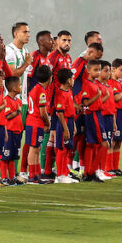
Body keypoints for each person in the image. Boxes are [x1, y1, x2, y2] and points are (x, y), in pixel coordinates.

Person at [44, 31, 75, 178]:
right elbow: (47, 78)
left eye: (69, 40)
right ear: (57, 41)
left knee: (56, 137)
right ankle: (48, 169)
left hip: (64, 99)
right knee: (54, 136)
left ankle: (55, 169)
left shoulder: (68, 58)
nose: (67, 43)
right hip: (55, 102)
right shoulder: (52, 57)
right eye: (64, 40)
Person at [78, 60, 106, 182]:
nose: (98, 72)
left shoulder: (94, 83)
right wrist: (98, 96)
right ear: (88, 70)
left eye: (99, 69)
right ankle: (91, 172)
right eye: (96, 69)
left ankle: (88, 173)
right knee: (104, 144)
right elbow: (85, 103)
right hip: (93, 115)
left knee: (92, 145)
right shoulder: (87, 84)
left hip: (97, 115)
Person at [25, 65, 53, 184]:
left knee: (37, 147)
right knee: (33, 148)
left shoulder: (36, 88)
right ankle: (32, 175)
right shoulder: (41, 91)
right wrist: (48, 122)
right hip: (35, 122)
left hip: (33, 122)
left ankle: (36, 174)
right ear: (50, 78)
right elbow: (43, 112)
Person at [52, 68, 79, 184]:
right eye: (72, 78)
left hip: (69, 121)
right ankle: (60, 175)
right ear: (68, 80)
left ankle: (65, 172)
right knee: (61, 149)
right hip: (64, 123)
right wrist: (66, 129)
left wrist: (73, 125)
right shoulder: (61, 93)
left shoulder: (69, 92)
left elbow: (70, 110)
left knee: (67, 149)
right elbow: (60, 113)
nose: (73, 80)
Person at [1, 77, 24, 185]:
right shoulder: (6, 100)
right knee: (6, 156)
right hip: (9, 132)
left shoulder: (18, 101)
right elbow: (7, 116)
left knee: (13, 157)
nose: (20, 87)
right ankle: (4, 177)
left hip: (17, 132)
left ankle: (12, 177)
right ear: (14, 88)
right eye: (19, 85)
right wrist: (17, 112)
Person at [109, 58, 122, 176]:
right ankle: (109, 168)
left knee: (119, 142)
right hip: (116, 113)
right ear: (113, 69)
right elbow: (116, 98)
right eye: (121, 70)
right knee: (112, 141)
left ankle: (116, 168)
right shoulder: (111, 83)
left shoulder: (120, 83)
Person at [97, 62, 117, 177]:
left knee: (108, 144)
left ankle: (103, 169)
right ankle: (98, 170)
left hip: (109, 118)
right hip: (102, 118)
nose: (109, 73)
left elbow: (113, 106)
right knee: (102, 144)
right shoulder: (98, 86)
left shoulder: (109, 86)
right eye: (106, 70)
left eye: (109, 70)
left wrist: (114, 122)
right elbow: (97, 103)